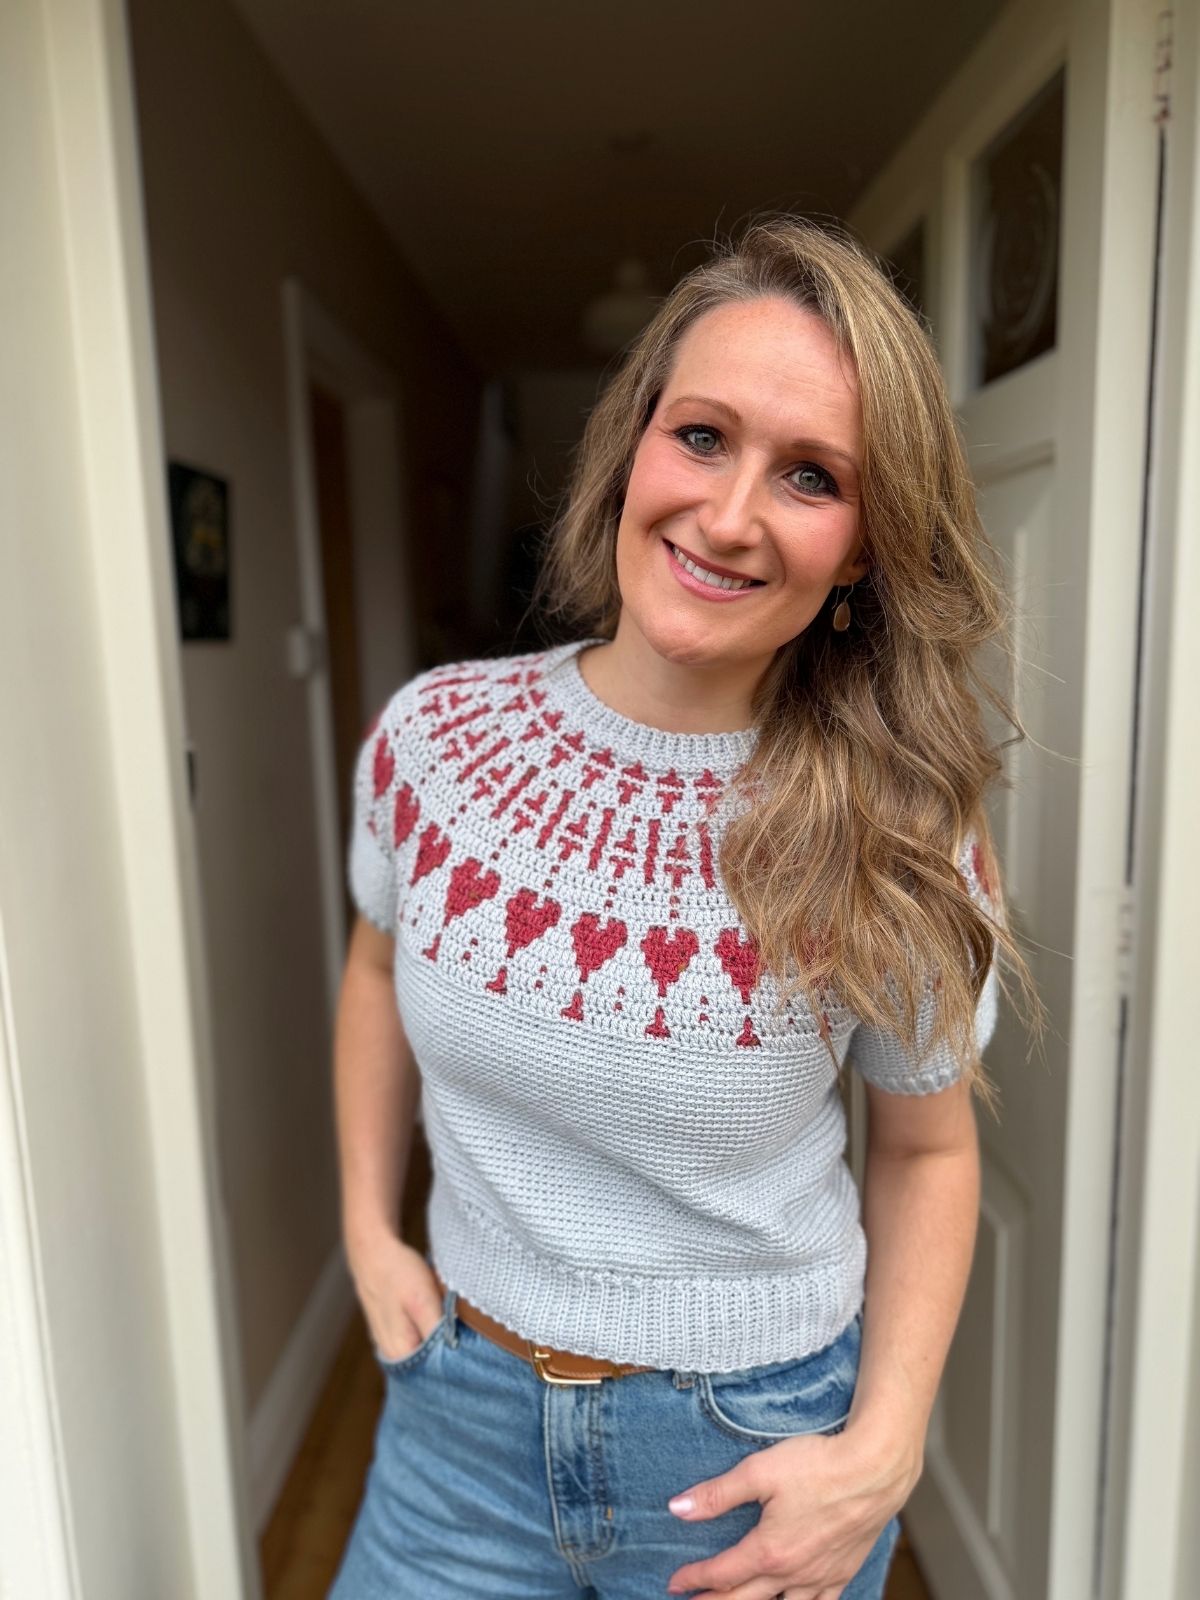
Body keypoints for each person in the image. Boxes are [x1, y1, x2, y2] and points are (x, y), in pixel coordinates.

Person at [327, 215, 1041, 1600]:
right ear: (633, 445)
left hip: (754, 1454)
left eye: (812, 477)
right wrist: (366, 1228)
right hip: (453, 1426)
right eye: (702, 436)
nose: (727, 516)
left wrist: (887, 1449)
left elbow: (926, 1153)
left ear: (863, 555)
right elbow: (374, 968)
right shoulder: (431, 743)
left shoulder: (897, 822)